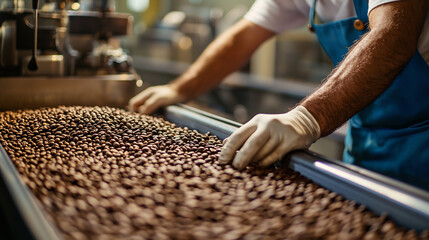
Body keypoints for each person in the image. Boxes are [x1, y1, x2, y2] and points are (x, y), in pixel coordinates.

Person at [129, 0, 429, 189]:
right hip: (367, 139)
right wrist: (179, 89)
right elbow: (243, 36)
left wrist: (305, 118)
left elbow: (393, 36)